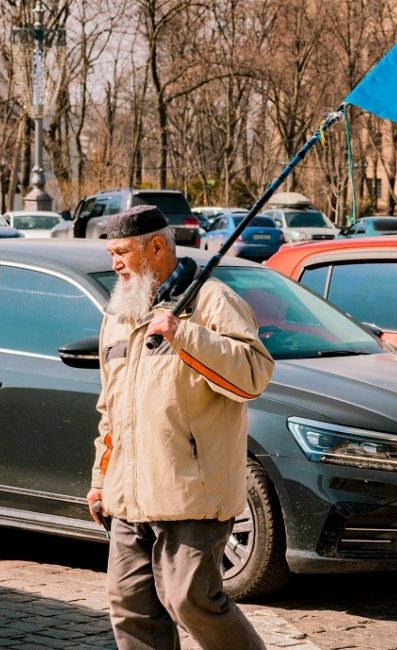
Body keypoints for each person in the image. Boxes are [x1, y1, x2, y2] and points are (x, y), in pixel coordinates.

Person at [87, 204, 274, 650]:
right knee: (129, 606)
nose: (114, 264)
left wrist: (183, 334)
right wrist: (100, 478)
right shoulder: (118, 314)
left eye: (122, 252)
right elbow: (110, 408)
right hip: (128, 495)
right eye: (111, 252)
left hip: (192, 493)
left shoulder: (212, 301)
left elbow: (253, 377)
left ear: (156, 247)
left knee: (189, 598)